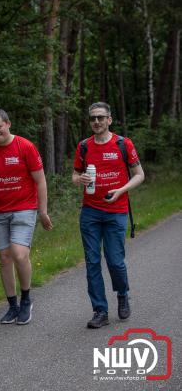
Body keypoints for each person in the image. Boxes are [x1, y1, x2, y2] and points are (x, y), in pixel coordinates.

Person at [0, 108, 52, 325]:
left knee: (19, 254)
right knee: (4, 258)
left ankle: (26, 300)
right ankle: (13, 306)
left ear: (8, 124)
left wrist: (43, 211)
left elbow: (40, 180)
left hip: (24, 208)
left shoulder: (25, 147)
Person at [72, 102, 144, 329]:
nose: (96, 122)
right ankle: (100, 311)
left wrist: (120, 191)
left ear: (109, 120)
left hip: (116, 210)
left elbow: (139, 175)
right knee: (92, 262)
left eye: (100, 118)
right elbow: (75, 175)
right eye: (93, 118)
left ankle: (122, 294)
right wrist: (79, 179)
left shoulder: (123, 144)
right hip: (90, 212)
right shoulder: (84, 146)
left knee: (114, 261)